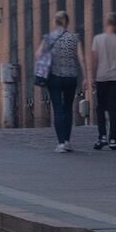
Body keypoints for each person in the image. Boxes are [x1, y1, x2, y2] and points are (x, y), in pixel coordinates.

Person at [36, 10, 84, 152]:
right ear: (67, 22)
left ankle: (61, 143)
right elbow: (81, 58)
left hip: (55, 77)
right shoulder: (74, 37)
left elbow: (38, 54)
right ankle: (68, 141)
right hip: (71, 77)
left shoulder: (49, 38)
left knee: (57, 108)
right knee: (68, 108)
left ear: (54, 22)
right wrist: (86, 77)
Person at [89, 13, 116, 151]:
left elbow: (95, 60)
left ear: (106, 24)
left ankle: (102, 136)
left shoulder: (97, 39)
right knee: (113, 108)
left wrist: (94, 77)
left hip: (101, 77)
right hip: (115, 77)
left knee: (101, 107)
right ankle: (113, 139)